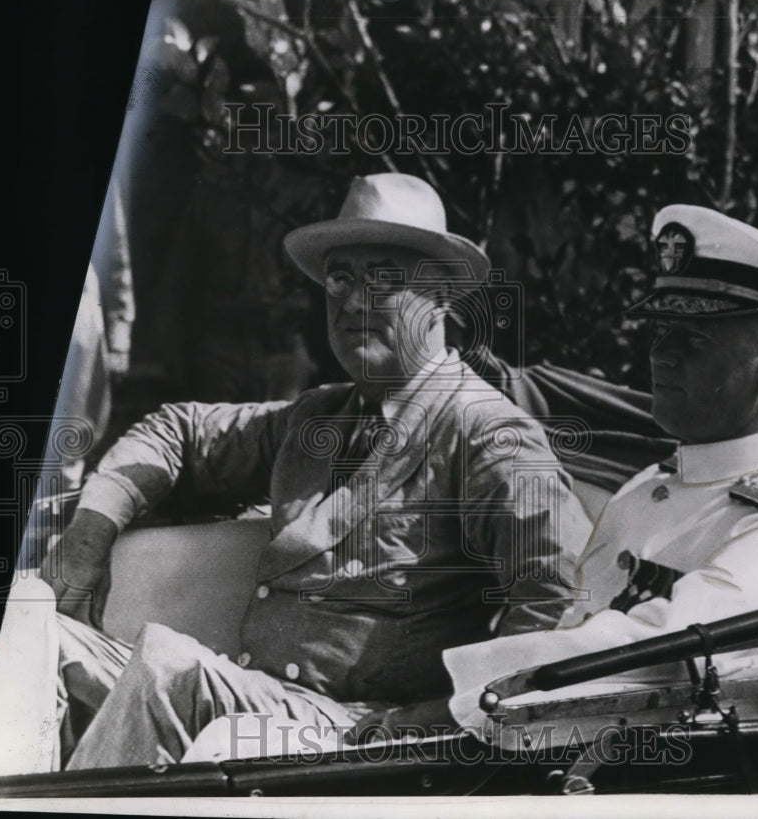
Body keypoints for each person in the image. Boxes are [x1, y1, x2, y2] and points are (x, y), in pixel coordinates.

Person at [40, 172, 592, 768]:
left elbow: (560, 600)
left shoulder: (487, 434)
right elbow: (176, 430)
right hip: (260, 704)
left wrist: (444, 718)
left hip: (365, 737)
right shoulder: (318, 415)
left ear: (442, 296)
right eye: (339, 279)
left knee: (167, 668)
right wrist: (89, 536)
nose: (353, 303)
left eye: (382, 279)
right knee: (31, 633)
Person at [367, 204, 758, 736]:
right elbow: (574, 619)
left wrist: (451, 710)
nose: (659, 355)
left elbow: (652, 657)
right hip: (558, 740)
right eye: (662, 330)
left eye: (692, 340)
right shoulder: (655, 481)